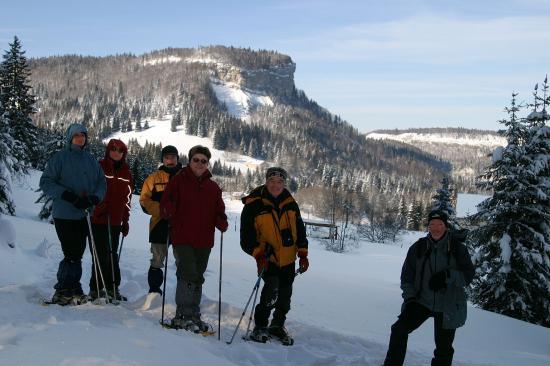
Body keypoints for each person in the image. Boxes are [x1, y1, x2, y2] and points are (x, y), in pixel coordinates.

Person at [382, 210, 475, 366]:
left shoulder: (457, 249)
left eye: (440, 224)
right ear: (428, 227)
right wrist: (410, 298)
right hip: (421, 301)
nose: (435, 228)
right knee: (399, 330)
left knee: (443, 348)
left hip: (448, 304)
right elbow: (406, 277)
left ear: (446, 226)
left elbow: (468, 276)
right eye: (432, 224)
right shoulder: (418, 248)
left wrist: (447, 276)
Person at [160, 145, 228, 332]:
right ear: (189, 161)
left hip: (204, 239)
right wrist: (169, 209)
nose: (199, 163)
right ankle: (182, 314)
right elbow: (165, 203)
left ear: (207, 164)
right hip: (183, 236)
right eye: (196, 160)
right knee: (187, 272)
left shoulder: (213, 187)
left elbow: (219, 210)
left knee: (198, 275)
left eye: (203, 161)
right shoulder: (178, 181)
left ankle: (193, 314)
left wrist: (221, 220)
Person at [240, 167, 309, 345]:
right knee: (270, 291)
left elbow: (300, 230)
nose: (276, 185)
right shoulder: (253, 204)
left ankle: (277, 325)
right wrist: (259, 255)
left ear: (284, 183)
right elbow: (246, 238)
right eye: (272, 181)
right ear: (266, 181)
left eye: (280, 182)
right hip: (267, 258)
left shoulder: (291, 203)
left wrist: (303, 254)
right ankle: (260, 326)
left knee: (285, 294)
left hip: (288, 259)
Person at [39, 123, 106, 305]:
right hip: (65, 213)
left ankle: (72, 287)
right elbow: (45, 182)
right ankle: (64, 289)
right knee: (71, 252)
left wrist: (94, 198)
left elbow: (101, 183)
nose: (80, 138)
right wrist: (68, 196)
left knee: (77, 252)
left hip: (84, 214)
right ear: (70, 137)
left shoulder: (91, 160)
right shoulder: (60, 158)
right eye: (76, 135)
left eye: (83, 135)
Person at [89, 139, 133, 302]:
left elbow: (127, 199)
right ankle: (96, 289)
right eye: (114, 149)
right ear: (108, 150)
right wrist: (98, 208)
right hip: (99, 219)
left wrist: (125, 220)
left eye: (120, 150)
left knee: (112, 254)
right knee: (100, 255)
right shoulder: (99, 167)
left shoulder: (126, 173)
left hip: (115, 221)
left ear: (124, 154)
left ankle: (112, 287)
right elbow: (91, 189)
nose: (117, 152)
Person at [140, 145, 182, 295]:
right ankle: (154, 292)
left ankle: (182, 294)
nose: (170, 160)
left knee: (182, 262)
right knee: (157, 260)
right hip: (159, 224)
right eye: (167, 157)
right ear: (162, 159)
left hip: (181, 226)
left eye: (173, 157)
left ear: (178, 158)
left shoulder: (185, 177)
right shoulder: (153, 178)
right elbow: (144, 201)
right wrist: (161, 209)